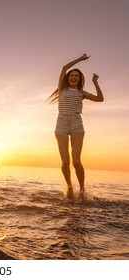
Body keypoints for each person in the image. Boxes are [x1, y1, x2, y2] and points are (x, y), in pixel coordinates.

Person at [48, 53, 104, 193]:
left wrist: (95, 82)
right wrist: (80, 59)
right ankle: (69, 187)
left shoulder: (81, 93)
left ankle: (82, 189)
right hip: (61, 124)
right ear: (68, 78)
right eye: (72, 75)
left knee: (76, 161)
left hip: (76, 124)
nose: (74, 77)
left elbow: (100, 99)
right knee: (65, 162)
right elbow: (64, 67)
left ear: (79, 80)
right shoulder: (62, 88)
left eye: (76, 76)